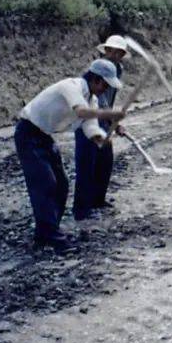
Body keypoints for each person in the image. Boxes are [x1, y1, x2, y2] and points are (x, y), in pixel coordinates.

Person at [14, 59, 126, 252]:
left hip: (45, 135)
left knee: (61, 184)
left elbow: (89, 126)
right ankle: (49, 235)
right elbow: (81, 111)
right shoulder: (71, 86)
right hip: (28, 133)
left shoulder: (92, 99)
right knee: (45, 183)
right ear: (96, 80)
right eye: (105, 85)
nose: (105, 90)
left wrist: (101, 138)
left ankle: (47, 232)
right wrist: (109, 113)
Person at [73, 35, 128, 220]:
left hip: (105, 118)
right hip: (88, 119)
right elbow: (98, 100)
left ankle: (98, 200)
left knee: (105, 161)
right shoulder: (96, 71)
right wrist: (115, 121)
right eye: (112, 50)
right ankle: (81, 209)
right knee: (86, 164)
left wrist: (114, 123)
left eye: (119, 52)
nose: (115, 55)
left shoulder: (118, 70)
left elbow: (110, 99)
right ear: (105, 51)